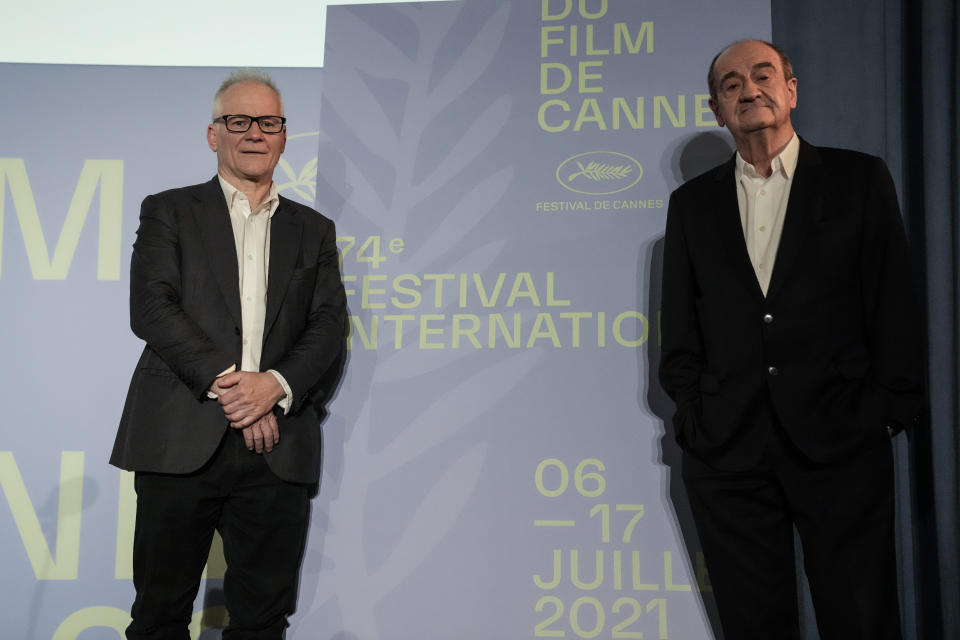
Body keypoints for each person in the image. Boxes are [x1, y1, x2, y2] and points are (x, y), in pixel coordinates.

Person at [659, 40, 924, 639]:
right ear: (716, 109)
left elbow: (894, 306)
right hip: (730, 456)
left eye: (762, 75)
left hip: (842, 443)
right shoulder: (691, 206)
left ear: (792, 90)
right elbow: (678, 333)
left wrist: (886, 412)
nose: (749, 89)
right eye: (731, 85)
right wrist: (696, 422)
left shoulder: (858, 179)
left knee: (861, 622)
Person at [111, 69, 347, 639]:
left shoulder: (313, 230)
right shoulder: (169, 210)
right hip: (180, 438)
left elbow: (328, 325)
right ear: (213, 134)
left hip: (277, 448)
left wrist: (277, 388)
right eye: (238, 121)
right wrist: (237, 385)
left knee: (263, 621)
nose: (254, 133)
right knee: (160, 615)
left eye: (268, 122)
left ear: (284, 136)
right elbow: (153, 307)